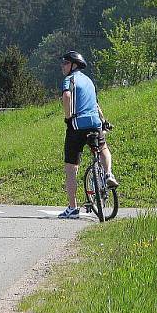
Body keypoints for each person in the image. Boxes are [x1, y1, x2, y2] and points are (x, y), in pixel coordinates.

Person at [58, 51, 118, 219]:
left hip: (77, 126)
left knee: (71, 167)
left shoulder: (69, 80)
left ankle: (72, 208)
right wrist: (104, 121)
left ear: (73, 65)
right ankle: (108, 174)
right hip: (95, 123)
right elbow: (96, 105)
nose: (62, 66)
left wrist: (68, 117)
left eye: (65, 63)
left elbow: (67, 95)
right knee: (103, 148)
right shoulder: (90, 81)